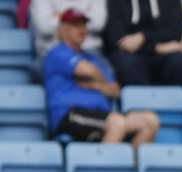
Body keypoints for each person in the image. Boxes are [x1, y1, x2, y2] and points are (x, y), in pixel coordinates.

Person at [44, 8, 160, 145]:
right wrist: (101, 84)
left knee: (150, 121)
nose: (82, 29)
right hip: (69, 115)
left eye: (84, 25)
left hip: (102, 116)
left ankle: (133, 165)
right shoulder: (57, 53)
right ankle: (105, 166)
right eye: (76, 25)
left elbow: (115, 90)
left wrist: (95, 84)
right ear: (63, 29)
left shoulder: (95, 59)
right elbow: (87, 70)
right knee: (116, 123)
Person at [103, 0, 182, 142]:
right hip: (131, 57)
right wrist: (156, 46)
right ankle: (139, 128)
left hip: (161, 55)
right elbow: (115, 39)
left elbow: (175, 32)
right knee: (126, 66)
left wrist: (143, 39)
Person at [32, 0, 107, 57]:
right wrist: (83, 16)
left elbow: (98, 24)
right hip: (52, 52)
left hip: (90, 50)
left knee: (105, 73)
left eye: (82, 23)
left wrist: (60, 16)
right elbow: (45, 27)